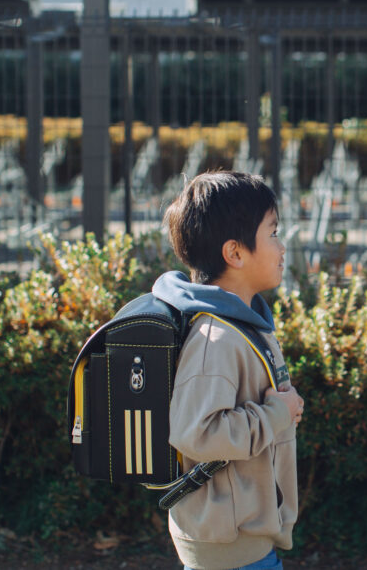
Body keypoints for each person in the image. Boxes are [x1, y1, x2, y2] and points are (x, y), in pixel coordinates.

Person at [157, 171, 304, 570]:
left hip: (241, 543)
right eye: (272, 232)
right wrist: (276, 414)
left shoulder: (241, 323)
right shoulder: (215, 340)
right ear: (235, 253)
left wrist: (284, 408)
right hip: (230, 552)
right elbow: (197, 433)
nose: (281, 245)